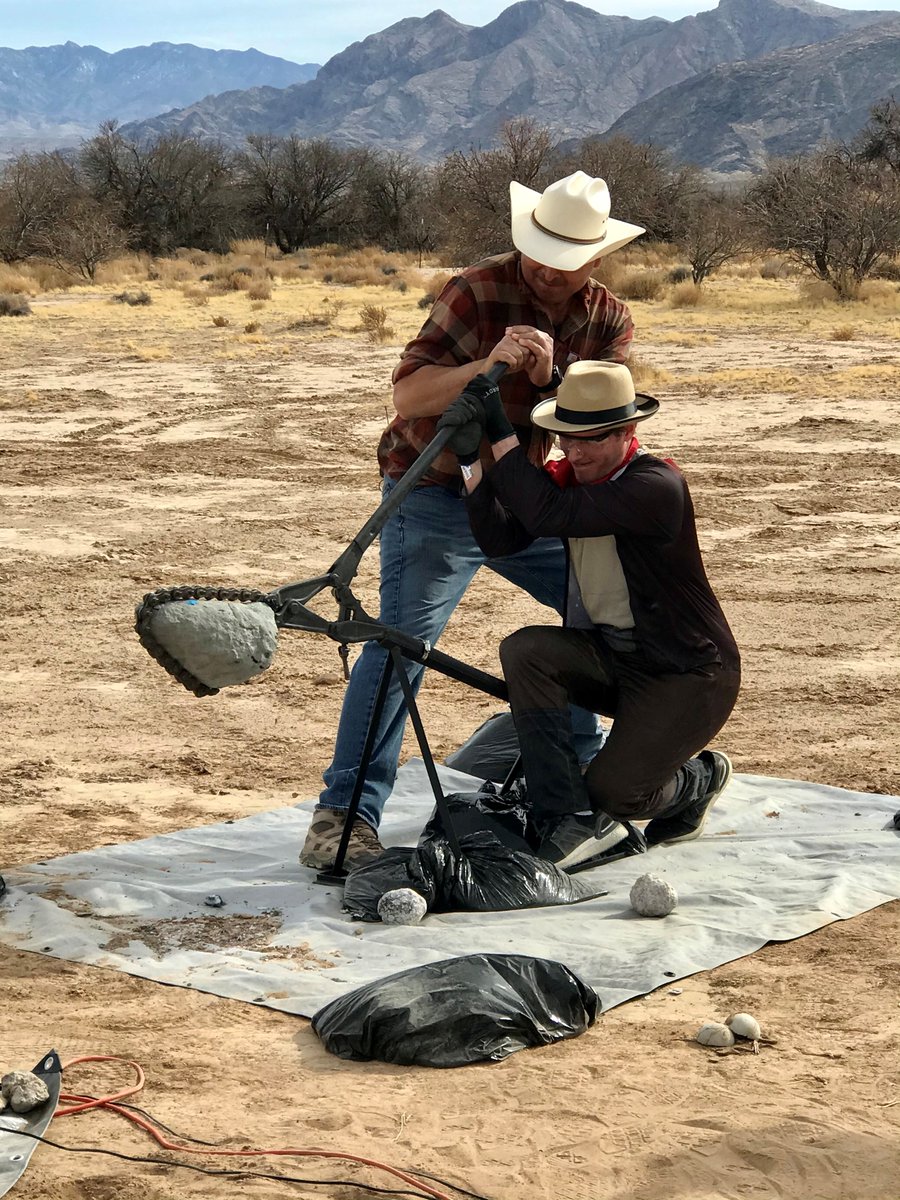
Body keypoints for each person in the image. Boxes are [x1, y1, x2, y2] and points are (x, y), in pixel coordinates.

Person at [300, 172, 646, 871]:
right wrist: (486, 367)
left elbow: (608, 420)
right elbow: (409, 394)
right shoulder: (477, 289)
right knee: (401, 643)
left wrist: (550, 382)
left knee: (596, 610)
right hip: (435, 496)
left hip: (529, 498)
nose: (548, 270)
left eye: (567, 259)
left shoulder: (607, 318)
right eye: (541, 253)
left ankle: (580, 782)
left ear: (596, 258)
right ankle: (344, 817)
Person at [442, 359, 740, 873]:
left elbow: (546, 514)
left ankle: (699, 778)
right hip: (616, 658)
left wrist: (498, 427)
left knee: (617, 794)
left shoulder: (655, 486)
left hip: (686, 674)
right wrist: (471, 461)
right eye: (565, 439)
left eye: (590, 440)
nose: (574, 452)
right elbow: (500, 538)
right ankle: (565, 813)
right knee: (527, 651)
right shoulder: (572, 480)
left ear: (627, 433)